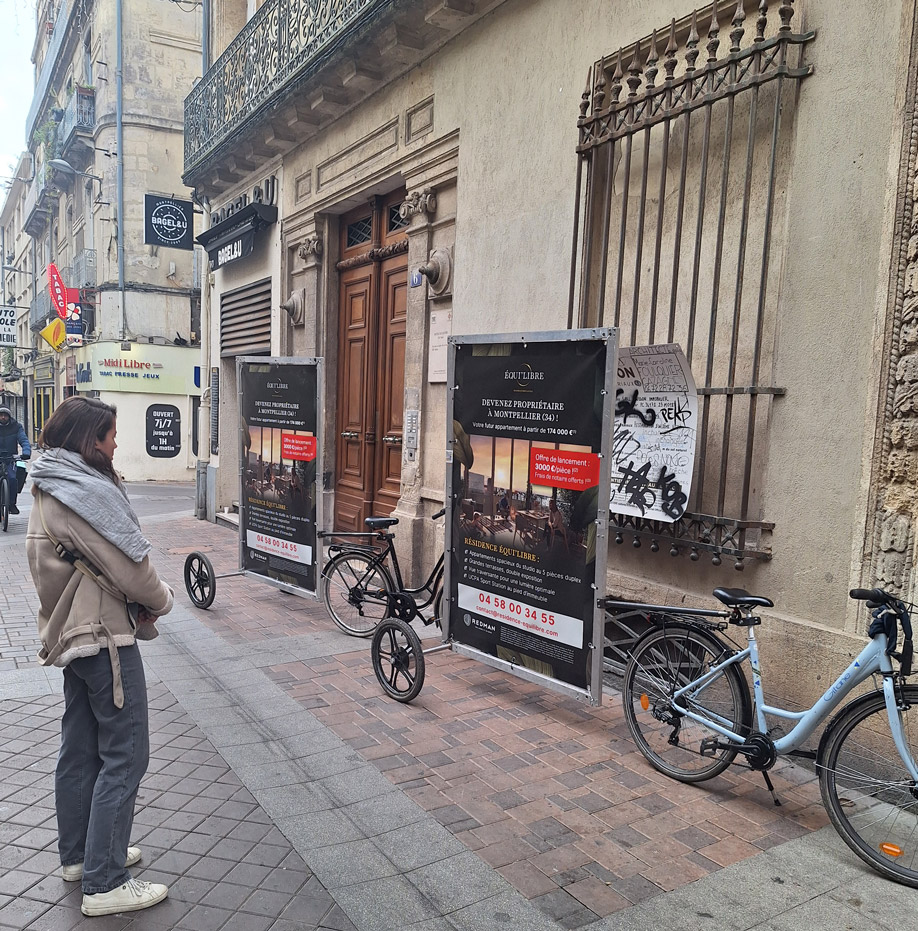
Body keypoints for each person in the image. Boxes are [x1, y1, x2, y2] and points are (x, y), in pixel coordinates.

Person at [25, 397, 174, 918]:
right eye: (111, 435)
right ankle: (105, 880)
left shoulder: (48, 483)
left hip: (73, 635)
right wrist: (163, 602)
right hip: (104, 636)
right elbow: (130, 567)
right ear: (90, 441)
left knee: (81, 750)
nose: (117, 444)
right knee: (127, 754)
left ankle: (80, 858)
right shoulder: (83, 493)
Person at [0, 406, 31, 514]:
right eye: (1, 415)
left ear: (9, 416)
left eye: (5, 415)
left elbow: (24, 440)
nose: (3, 417)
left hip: (10, 458)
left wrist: (26, 452)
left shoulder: (16, 427)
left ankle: (12, 504)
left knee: (13, 479)